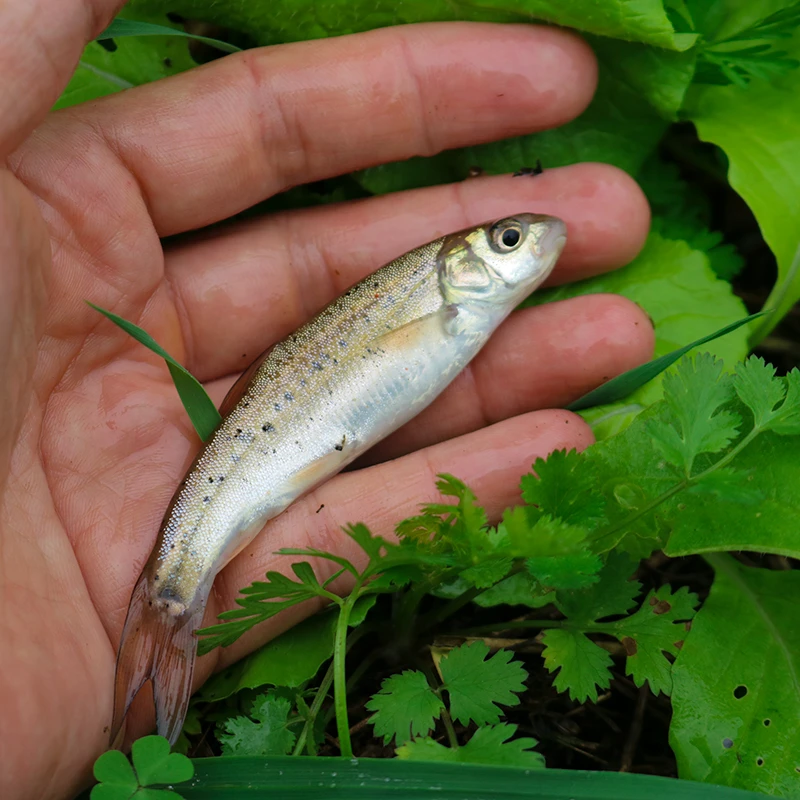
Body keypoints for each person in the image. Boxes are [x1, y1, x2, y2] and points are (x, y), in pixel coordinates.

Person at [0, 2, 654, 798]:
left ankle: (167, 611)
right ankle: (173, 590)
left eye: (506, 240)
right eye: (506, 242)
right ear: (460, 271)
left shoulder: (460, 308)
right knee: (210, 543)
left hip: (301, 429)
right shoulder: (445, 300)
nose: (532, 241)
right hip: (278, 444)